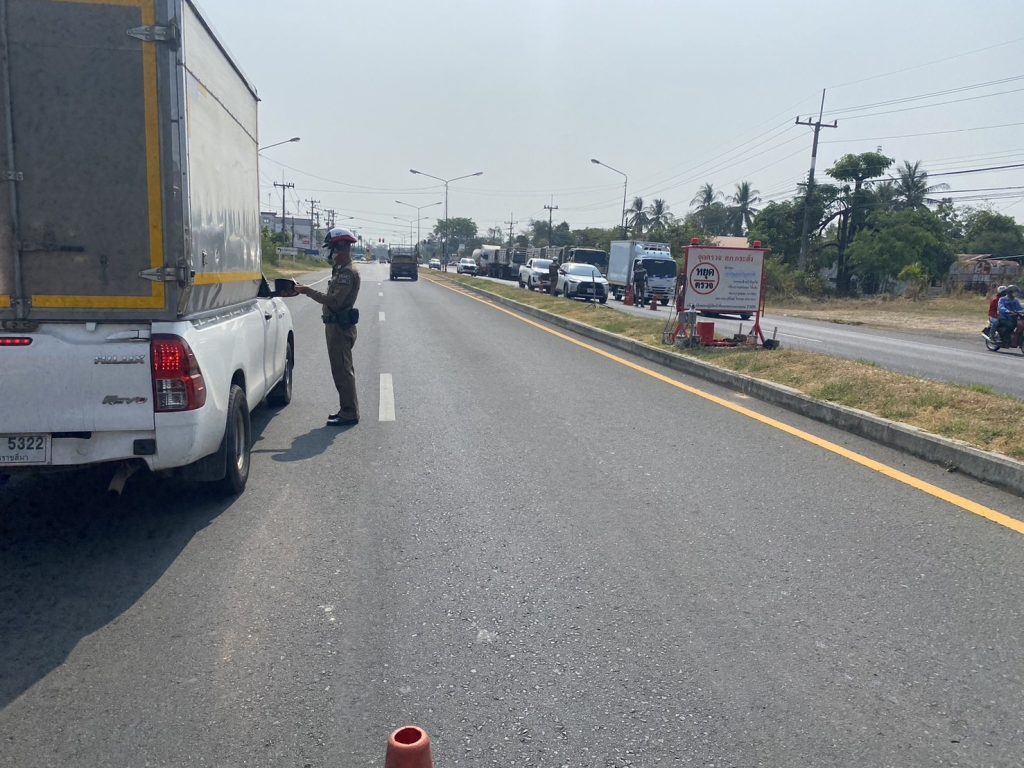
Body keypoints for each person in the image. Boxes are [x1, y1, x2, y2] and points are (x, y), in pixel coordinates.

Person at [295, 227, 361, 426]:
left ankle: (349, 412)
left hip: (340, 327)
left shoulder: (347, 273)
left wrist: (308, 291)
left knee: (343, 371)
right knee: (339, 370)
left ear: (341, 248)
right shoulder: (341, 270)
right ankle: (346, 409)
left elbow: (335, 301)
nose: (330, 254)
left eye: (332, 249)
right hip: (335, 326)